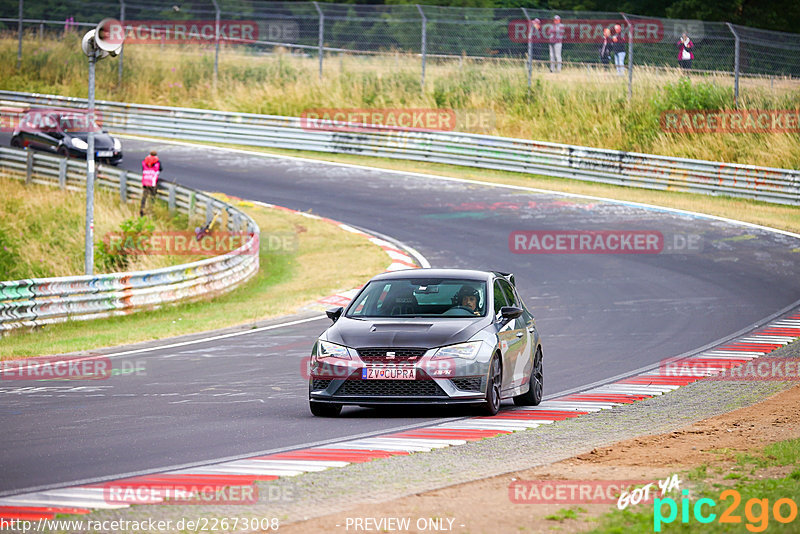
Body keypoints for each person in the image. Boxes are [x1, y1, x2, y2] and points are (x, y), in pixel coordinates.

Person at [140, 150, 163, 216]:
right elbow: (160, 169)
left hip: (145, 180)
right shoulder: (157, 162)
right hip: (152, 181)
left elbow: (143, 169)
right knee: (152, 196)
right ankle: (151, 209)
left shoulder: (145, 161)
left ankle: (142, 208)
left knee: (144, 196)